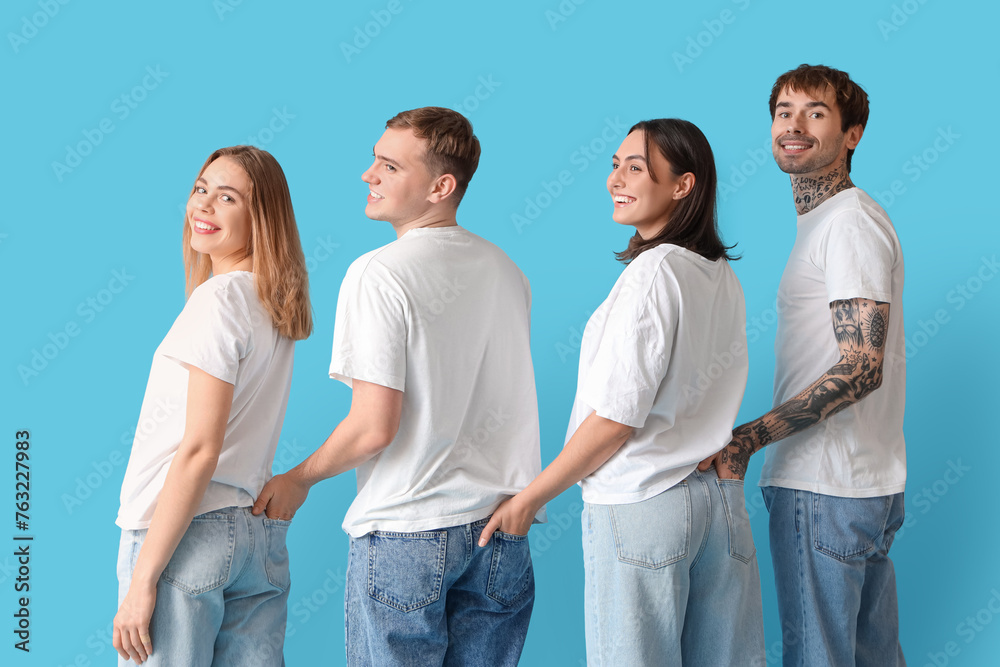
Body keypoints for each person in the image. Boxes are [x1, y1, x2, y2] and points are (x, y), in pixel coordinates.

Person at [252, 107, 543, 666]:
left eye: (388, 164)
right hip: (503, 533)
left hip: (411, 530)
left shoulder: (378, 272)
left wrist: (299, 478)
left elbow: (373, 426)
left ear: (441, 186)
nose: (369, 175)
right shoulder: (507, 270)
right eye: (374, 160)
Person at [482, 118, 764, 666]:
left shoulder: (653, 274)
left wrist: (530, 499)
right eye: (614, 165)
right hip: (717, 502)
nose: (616, 179)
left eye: (635, 167)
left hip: (644, 504)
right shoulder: (719, 273)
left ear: (682, 185)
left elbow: (616, 418)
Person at [699, 64, 907, 666]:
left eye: (816, 113)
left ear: (853, 135)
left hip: (826, 486)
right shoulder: (828, 222)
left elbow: (862, 367)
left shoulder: (848, 223)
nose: (794, 126)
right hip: (852, 485)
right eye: (783, 112)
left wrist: (748, 438)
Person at [113, 146, 312, 665]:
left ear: (260, 217)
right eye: (201, 189)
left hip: (185, 534)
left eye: (227, 198)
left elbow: (201, 447)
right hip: (255, 537)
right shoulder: (271, 305)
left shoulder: (218, 300)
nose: (203, 206)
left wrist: (143, 581)